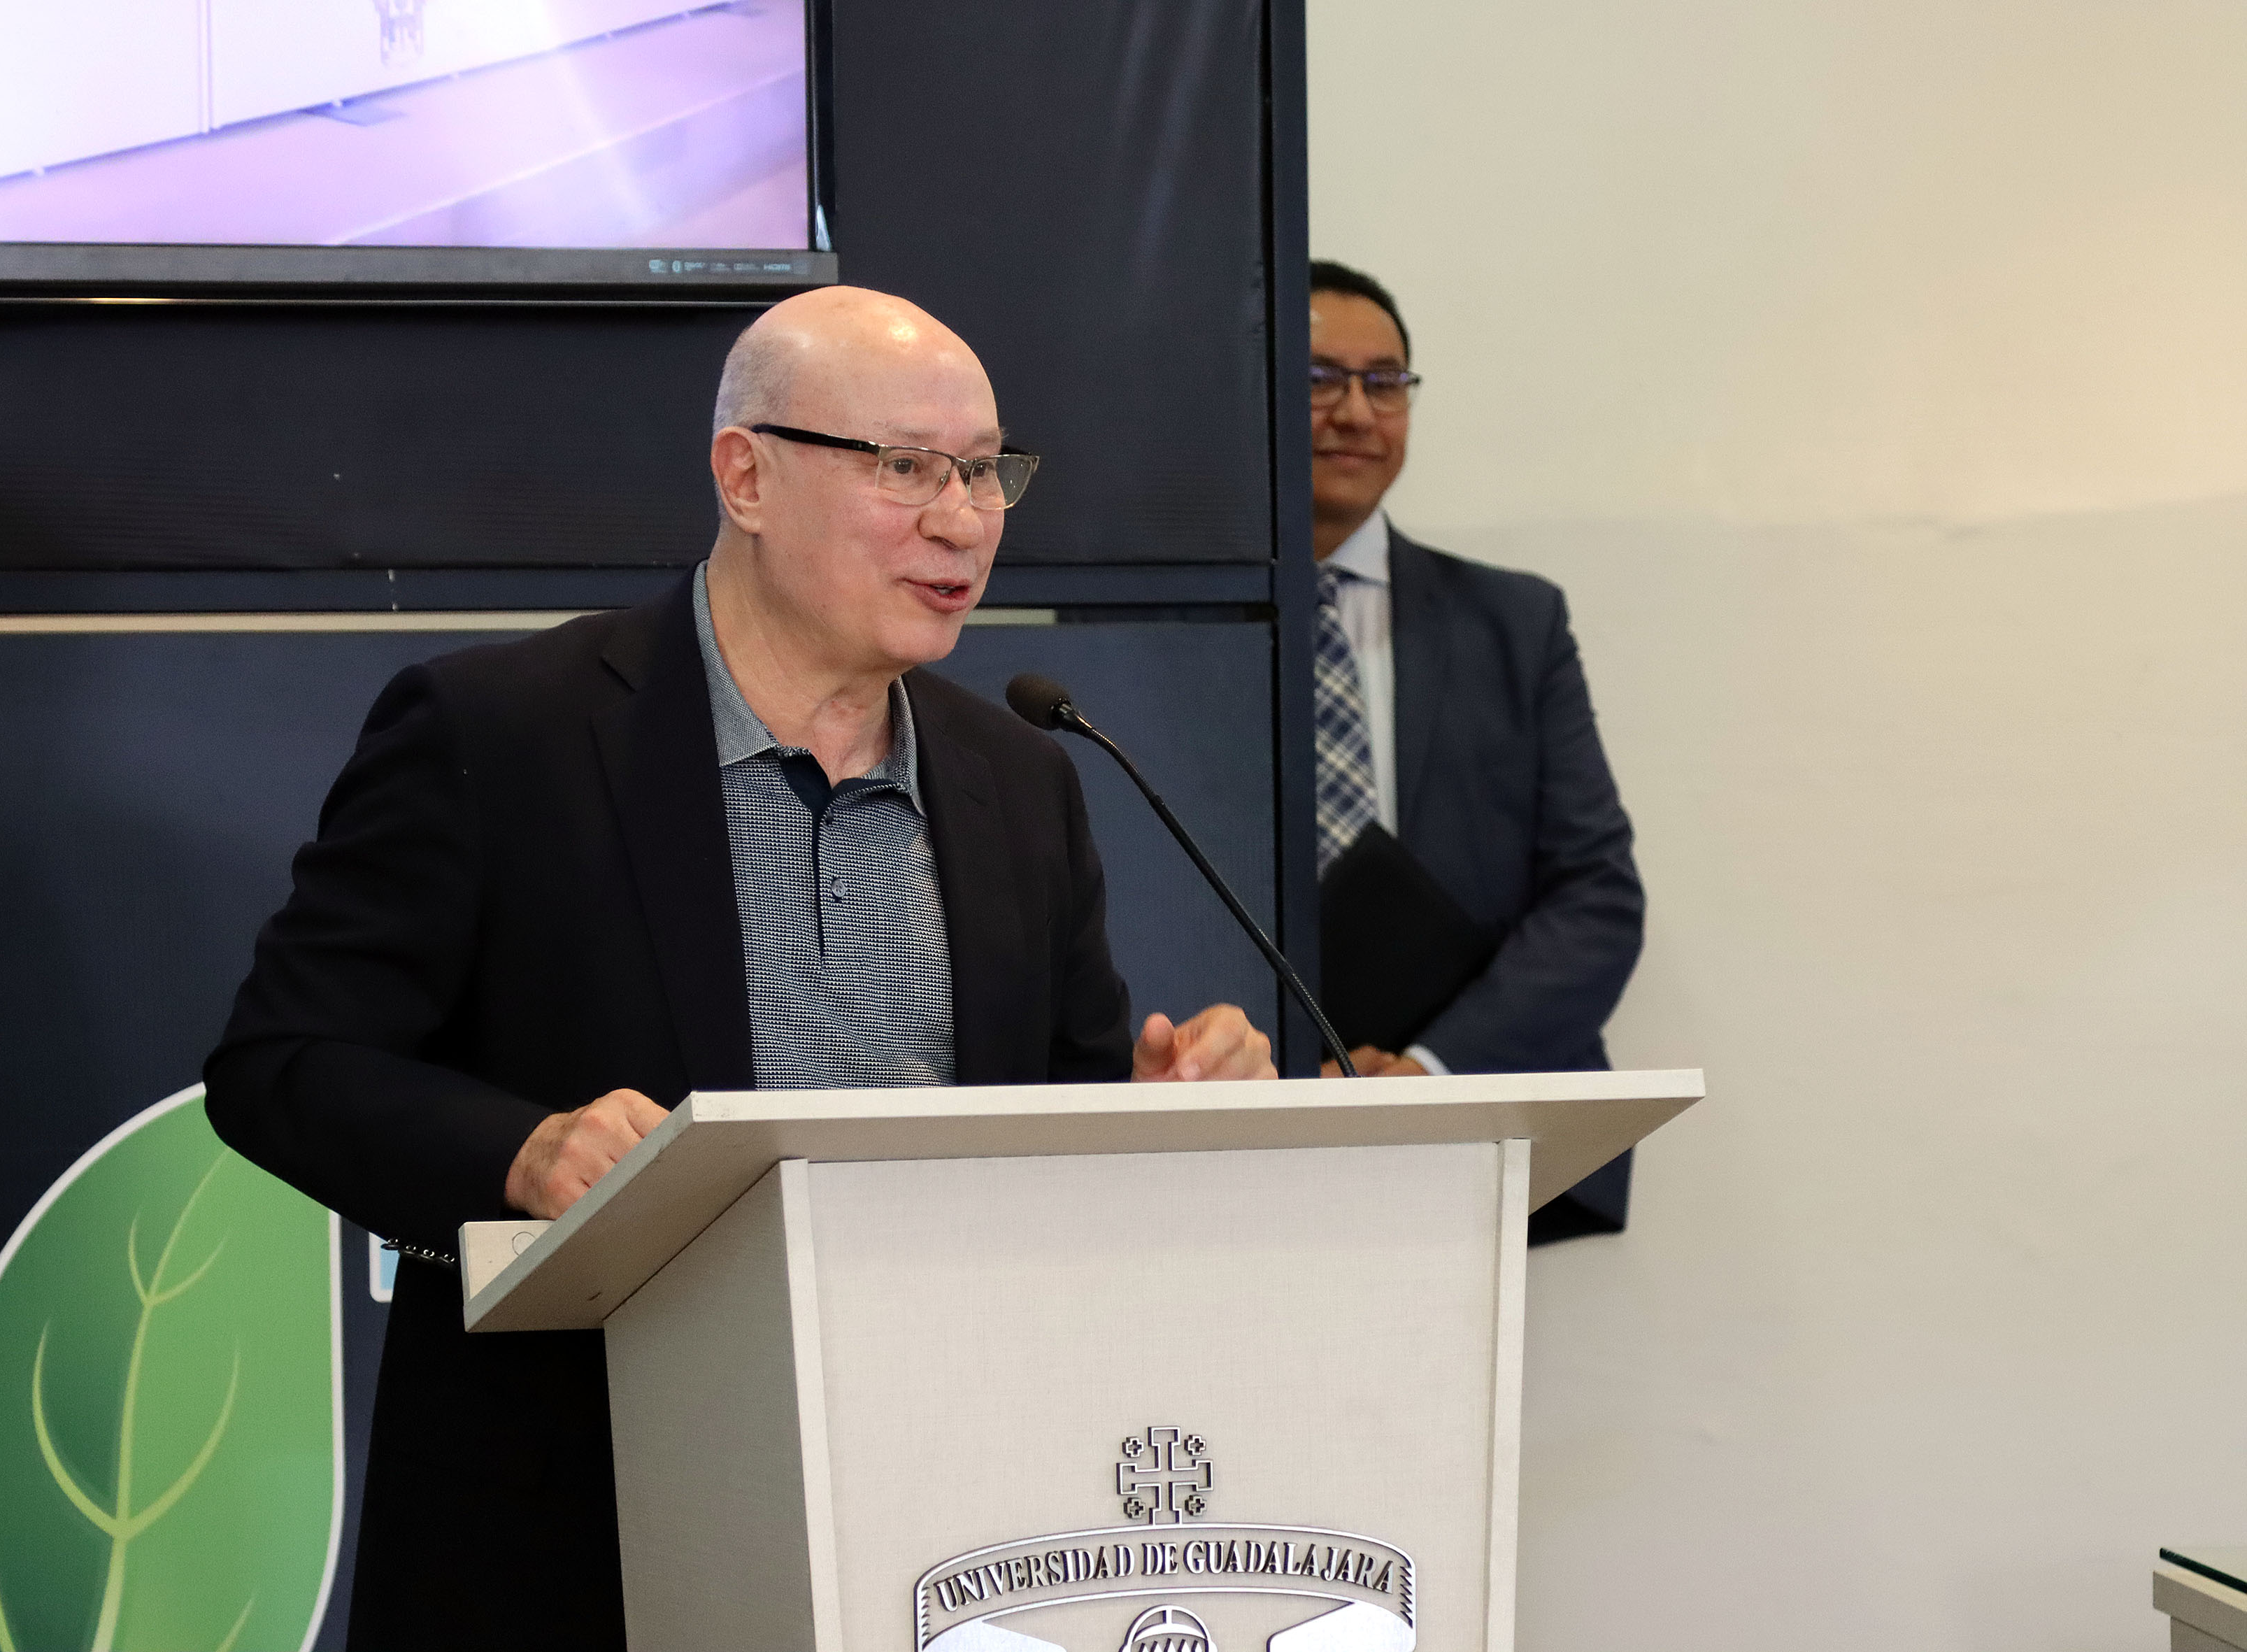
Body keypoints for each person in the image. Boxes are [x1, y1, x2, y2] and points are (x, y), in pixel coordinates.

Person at [203, 285, 1274, 1649]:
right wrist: (522, 1152)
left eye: (984, 470)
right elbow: (281, 1064)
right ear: (747, 475)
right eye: (906, 467)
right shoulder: (503, 732)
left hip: (941, 1527)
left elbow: (1047, 1127)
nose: (963, 519)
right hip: (580, 1523)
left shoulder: (1018, 775)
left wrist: (1155, 1110)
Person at [1306, 259, 1645, 1240]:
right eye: (1319, 379)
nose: (1356, 412)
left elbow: (1596, 898)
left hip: (1467, 1129)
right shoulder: (1163, 639)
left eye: (1385, 382)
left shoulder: (1515, 625)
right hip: (1221, 1126)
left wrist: (1428, 1074)